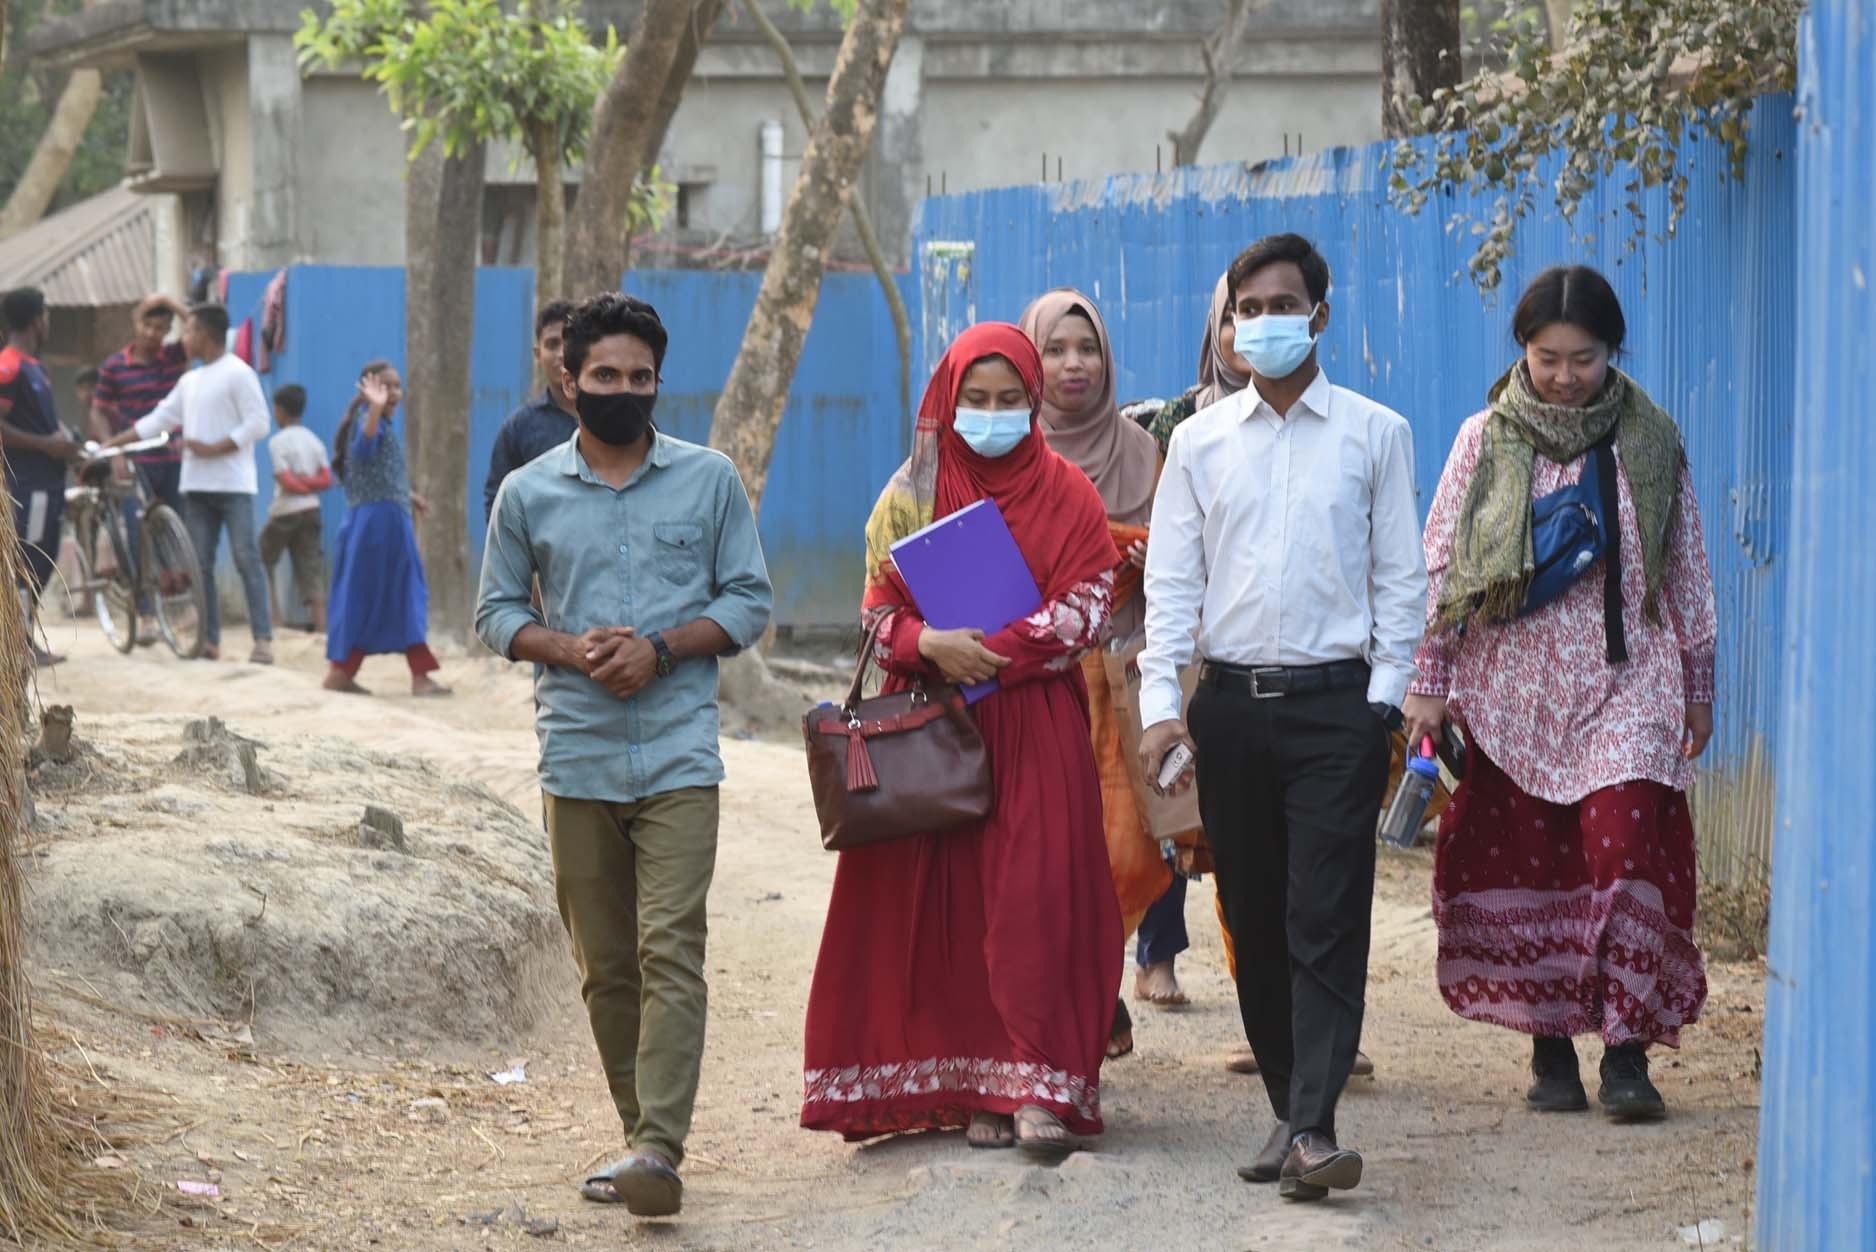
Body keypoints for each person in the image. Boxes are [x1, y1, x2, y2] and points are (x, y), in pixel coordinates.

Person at [1138, 233, 1426, 1200]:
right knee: (1252, 916)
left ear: (1320, 315)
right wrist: (1159, 712)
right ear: (1226, 325)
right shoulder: (1197, 442)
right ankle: (1288, 1106)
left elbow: (1403, 584)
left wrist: (1382, 707)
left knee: (1325, 913)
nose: (1262, 321)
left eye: (1281, 303)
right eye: (1244, 308)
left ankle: (1313, 1125)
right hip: (1227, 713)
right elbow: (1170, 586)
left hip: (1337, 712)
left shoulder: (1377, 434)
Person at [476, 292, 772, 1218]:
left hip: (681, 754)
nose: (622, 390)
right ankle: (643, 1133)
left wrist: (663, 647)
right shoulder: (528, 492)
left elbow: (749, 601)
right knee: (607, 964)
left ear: (657, 384)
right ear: (569, 380)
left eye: (639, 378)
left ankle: (656, 1147)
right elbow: (494, 614)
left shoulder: (709, 479)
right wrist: (569, 648)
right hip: (577, 757)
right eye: (604, 375)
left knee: (671, 947)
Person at [1401, 265, 1717, 1123]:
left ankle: (1625, 1055)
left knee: (1625, 850)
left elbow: (1683, 561)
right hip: (1511, 693)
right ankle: (1551, 1048)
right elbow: (1443, 566)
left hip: (1628, 686)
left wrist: (1696, 684)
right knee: (1533, 862)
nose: (1566, 376)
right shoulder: (1483, 440)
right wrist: (1428, 684)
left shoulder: (1650, 441)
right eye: (1548, 358)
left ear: (1613, 353)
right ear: (1522, 352)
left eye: (1584, 358)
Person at [801, 322, 1124, 1158]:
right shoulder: (909, 494)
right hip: (935, 726)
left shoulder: (1069, 494)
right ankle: (979, 1087)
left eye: (1009, 399)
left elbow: (1088, 605)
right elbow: (876, 611)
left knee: (1033, 900)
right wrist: (927, 646)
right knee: (949, 904)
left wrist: (991, 652)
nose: (992, 414)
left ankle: (1035, 1087)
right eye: (974, 401)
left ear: (1034, 400)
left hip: (1033, 727)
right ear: (946, 404)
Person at [1019, 288, 1185, 1061]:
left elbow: (1184, 569)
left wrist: (1155, 561)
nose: (1073, 364)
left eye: (1087, 349)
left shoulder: (1145, 452)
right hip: (1029, 684)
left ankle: (1095, 979)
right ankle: (1079, 1001)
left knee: (1119, 852)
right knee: (1041, 860)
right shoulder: (1006, 451)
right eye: (1055, 349)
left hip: (1119, 681)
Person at [103, 303, 274, 663]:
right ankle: (210, 641)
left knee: (246, 557)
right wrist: (112, 445)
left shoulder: (238, 373)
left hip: (234, 486)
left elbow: (258, 422)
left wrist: (215, 448)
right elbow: (157, 420)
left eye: (190, 330)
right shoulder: (189, 381)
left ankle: (262, 640)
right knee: (201, 566)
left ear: (205, 335)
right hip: (196, 486)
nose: (184, 338)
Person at [322, 362, 446, 696]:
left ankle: (350, 673)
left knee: (388, 593)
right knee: (392, 593)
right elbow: (363, 449)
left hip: (379, 521)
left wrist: (407, 495)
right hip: (381, 527)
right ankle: (351, 673)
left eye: (396, 386)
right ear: (366, 390)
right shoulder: (368, 422)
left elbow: (371, 473)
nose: (392, 393)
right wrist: (375, 408)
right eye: (384, 386)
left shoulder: (377, 424)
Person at [93, 293, 191, 642]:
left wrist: (169, 300)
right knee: (137, 536)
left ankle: (175, 608)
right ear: (137, 324)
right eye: (147, 325)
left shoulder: (175, 357)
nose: (152, 333)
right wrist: (114, 453)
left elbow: (197, 327)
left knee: (174, 534)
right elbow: (99, 410)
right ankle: (145, 613)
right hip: (134, 460)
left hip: (174, 458)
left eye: (160, 328)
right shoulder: (114, 366)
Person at [1, 287, 82, 665]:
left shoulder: (37, 368)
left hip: (49, 485)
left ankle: (23, 637)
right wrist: (46, 445)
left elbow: (45, 425)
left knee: (41, 561)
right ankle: (18, 644)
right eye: (46, 315)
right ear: (37, 319)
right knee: (27, 562)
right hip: (28, 485)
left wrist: (66, 441)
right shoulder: (9, 365)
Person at [483, 300, 578, 520]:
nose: (562, 354)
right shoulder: (519, 428)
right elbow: (498, 503)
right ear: (537, 354)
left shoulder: (614, 416)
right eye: (552, 344)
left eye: (569, 342)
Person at [259, 384, 332, 634]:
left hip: (284, 512)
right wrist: (310, 485)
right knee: (310, 567)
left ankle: (274, 618)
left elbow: (285, 480)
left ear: (279, 410)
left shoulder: (277, 442)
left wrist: (297, 483)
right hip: (312, 509)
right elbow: (326, 480)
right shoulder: (314, 441)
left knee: (262, 558)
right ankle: (322, 628)